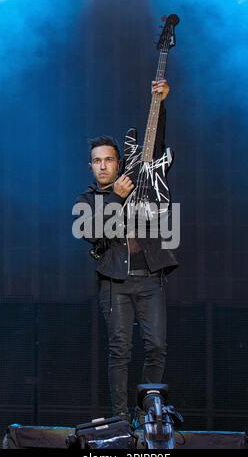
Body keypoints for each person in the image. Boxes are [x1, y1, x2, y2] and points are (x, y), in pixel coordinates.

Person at [73, 80, 178, 424]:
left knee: (157, 347)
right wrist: (115, 198)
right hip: (115, 282)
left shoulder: (139, 181)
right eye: (96, 161)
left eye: (108, 160)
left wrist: (159, 105)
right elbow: (91, 232)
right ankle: (119, 417)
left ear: (119, 163)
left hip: (150, 277)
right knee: (120, 351)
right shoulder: (89, 200)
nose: (102, 166)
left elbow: (153, 147)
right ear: (90, 166)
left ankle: (148, 413)